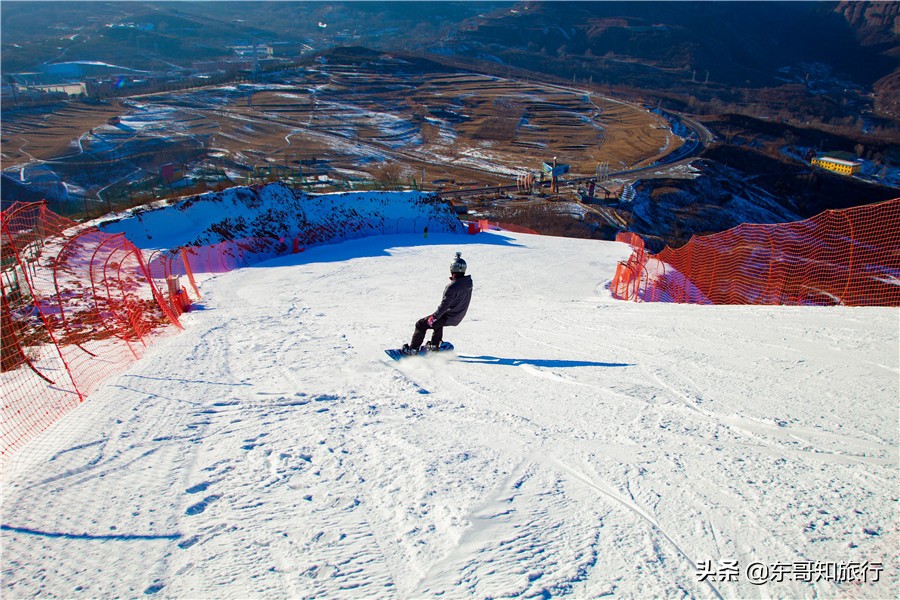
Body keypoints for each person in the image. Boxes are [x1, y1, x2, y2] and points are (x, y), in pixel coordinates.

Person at [401, 252, 473, 355]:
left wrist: (433, 317)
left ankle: (413, 350)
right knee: (439, 321)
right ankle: (435, 345)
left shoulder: (452, 287)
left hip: (449, 316)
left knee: (421, 324)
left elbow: (444, 306)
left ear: (451, 269)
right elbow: (459, 291)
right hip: (457, 316)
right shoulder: (468, 282)